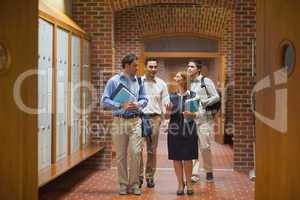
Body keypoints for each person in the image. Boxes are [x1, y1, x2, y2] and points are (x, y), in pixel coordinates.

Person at [101, 53, 148, 195]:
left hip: (135, 121)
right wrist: (121, 104)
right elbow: (104, 101)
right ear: (127, 66)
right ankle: (123, 184)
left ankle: (134, 184)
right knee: (121, 155)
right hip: (119, 121)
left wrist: (138, 104)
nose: (137, 68)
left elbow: (145, 98)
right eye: (134, 65)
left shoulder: (139, 81)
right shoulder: (113, 81)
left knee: (135, 153)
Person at [166, 71, 202, 196]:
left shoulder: (194, 95)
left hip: (189, 128)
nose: (175, 78)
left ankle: (189, 183)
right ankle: (180, 184)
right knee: (176, 157)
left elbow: (200, 113)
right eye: (175, 76)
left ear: (184, 80)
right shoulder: (171, 96)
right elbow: (166, 115)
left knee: (187, 157)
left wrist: (193, 114)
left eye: (178, 76)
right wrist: (167, 112)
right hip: (174, 129)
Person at [187, 60, 220, 182]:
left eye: (192, 66)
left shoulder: (205, 81)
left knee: (205, 146)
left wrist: (204, 101)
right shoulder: (188, 83)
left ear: (198, 69)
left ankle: (209, 170)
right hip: (192, 118)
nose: (189, 68)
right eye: (188, 66)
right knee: (192, 146)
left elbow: (216, 96)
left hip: (205, 119)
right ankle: (194, 174)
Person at [139, 58, 170, 188]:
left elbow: (165, 102)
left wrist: (166, 119)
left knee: (152, 150)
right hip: (140, 118)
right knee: (137, 149)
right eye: (150, 67)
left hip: (155, 119)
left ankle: (150, 176)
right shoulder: (138, 82)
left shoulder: (161, 84)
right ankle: (138, 176)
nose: (153, 69)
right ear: (145, 67)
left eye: (155, 67)